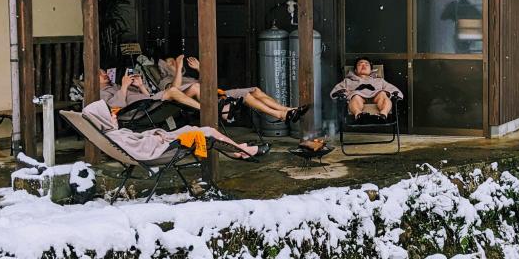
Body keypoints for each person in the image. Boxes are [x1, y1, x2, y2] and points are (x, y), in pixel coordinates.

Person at [84, 99, 267, 160]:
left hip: (164, 140)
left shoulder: (111, 134)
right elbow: (144, 149)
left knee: (197, 129)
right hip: (166, 147)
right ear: (102, 119)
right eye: (111, 115)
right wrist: (157, 137)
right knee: (207, 132)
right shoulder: (117, 136)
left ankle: (238, 150)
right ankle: (244, 150)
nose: (115, 116)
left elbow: (139, 143)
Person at [158, 55, 310, 126]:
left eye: (175, 62)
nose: (175, 63)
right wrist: (177, 67)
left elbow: (208, 83)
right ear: (165, 68)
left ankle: (289, 109)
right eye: (170, 62)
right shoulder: (165, 81)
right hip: (213, 101)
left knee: (255, 90)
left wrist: (199, 69)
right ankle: (280, 115)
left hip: (216, 93)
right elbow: (175, 90)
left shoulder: (189, 78)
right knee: (245, 95)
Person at [332, 58, 398, 118]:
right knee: (355, 96)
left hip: (376, 96)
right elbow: (338, 90)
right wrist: (340, 93)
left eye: (366, 64)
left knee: (383, 94)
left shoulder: (379, 80)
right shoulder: (348, 81)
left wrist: (394, 94)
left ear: (371, 70)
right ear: (355, 70)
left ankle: (383, 115)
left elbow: (392, 89)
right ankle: (359, 115)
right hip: (358, 97)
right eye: (360, 64)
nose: (363, 66)